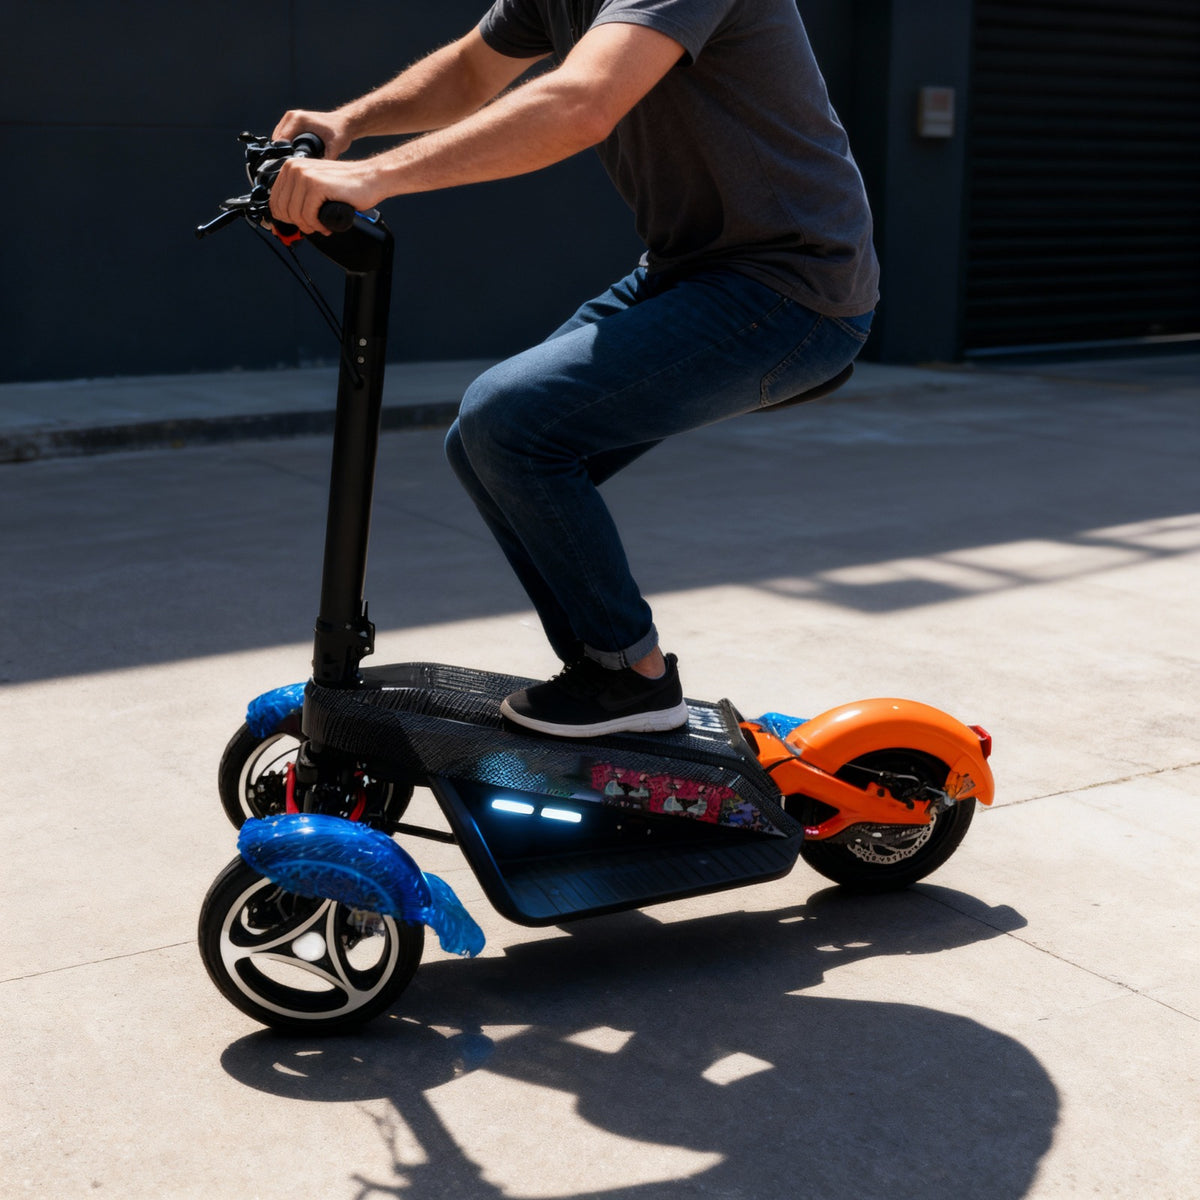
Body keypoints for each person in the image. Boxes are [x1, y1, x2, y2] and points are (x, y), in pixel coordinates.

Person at [271, 0, 879, 739]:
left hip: (791, 286)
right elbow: (470, 70)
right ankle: (607, 674)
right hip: (690, 270)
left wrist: (373, 176)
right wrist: (350, 122)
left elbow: (582, 102)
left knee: (510, 424)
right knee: (481, 442)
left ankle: (630, 677)